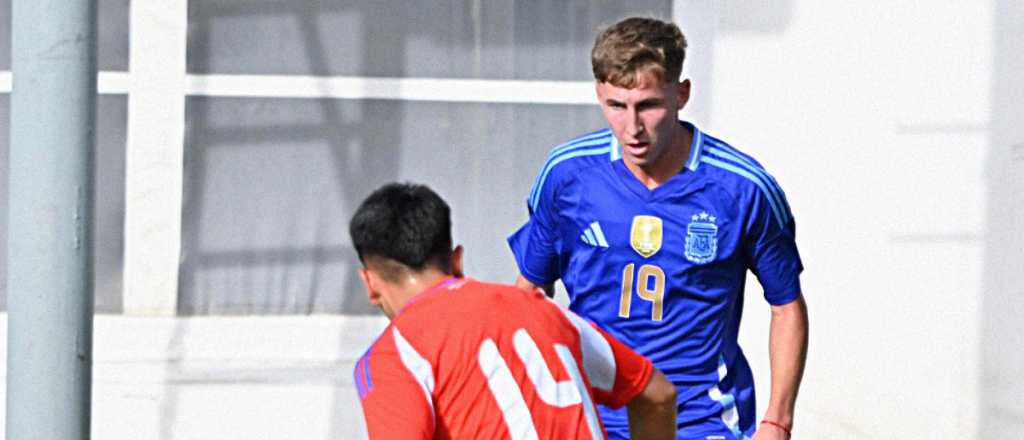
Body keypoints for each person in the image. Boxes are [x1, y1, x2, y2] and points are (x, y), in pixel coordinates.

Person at [507, 16, 809, 440]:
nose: (632, 127)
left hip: (702, 421)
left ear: (681, 94)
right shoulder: (567, 175)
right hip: (593, 418)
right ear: (598, 94)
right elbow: (529, 296)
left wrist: (777, 421)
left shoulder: (743, 189)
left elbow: (786, 306)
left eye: (648, 105)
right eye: (616, 106)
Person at [350, 182, 678, 439]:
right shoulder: (543, 309)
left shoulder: (393, 354)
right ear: (457, 260)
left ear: (369, 283)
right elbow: (657, 393)